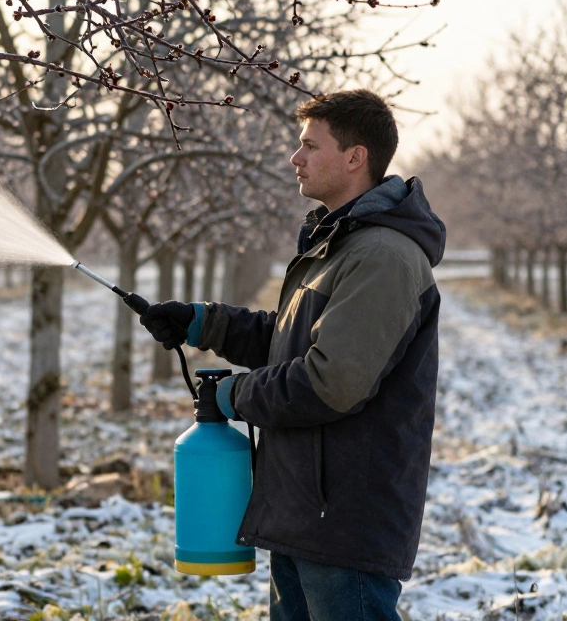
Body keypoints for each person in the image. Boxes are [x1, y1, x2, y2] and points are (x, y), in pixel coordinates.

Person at [140, 89, 445, 621]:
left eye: (310, 145)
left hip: (346, 515)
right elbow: (291, 342)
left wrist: (236, 395)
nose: (294, 157)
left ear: (356, 158)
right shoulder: (340, 245)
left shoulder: (381, 256)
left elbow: (333, 380)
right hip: (307, 507)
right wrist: (202, 321)